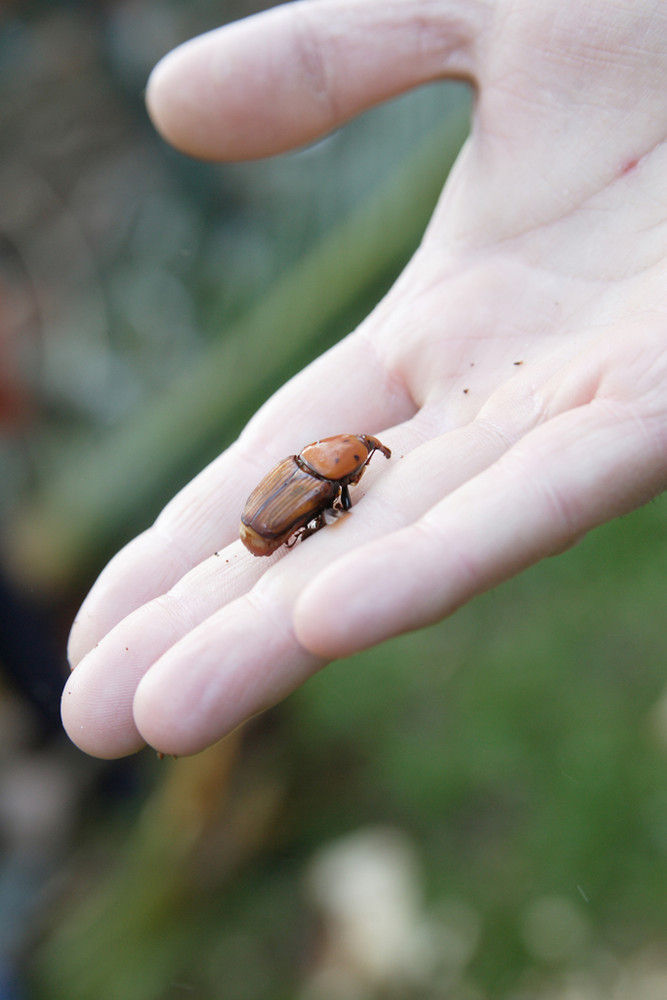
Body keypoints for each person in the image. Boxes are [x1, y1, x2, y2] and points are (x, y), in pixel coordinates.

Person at [61, 0, 667, 758]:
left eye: (359, 455)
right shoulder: (319, 476)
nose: (367, 454)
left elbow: (330, 490)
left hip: (274, 514)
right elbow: (316, 505)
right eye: (360, 454)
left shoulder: (322, 467)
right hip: (267, 522)